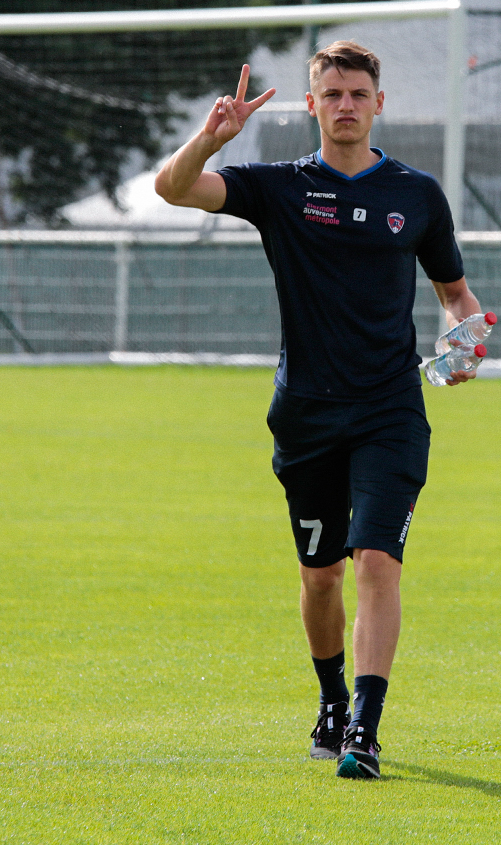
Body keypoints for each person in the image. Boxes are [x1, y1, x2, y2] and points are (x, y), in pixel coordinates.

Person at [154, 40, 483, 780]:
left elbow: (455, 294)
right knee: (321, 576)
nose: (344, 105)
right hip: (304, 413)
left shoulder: (417, 195)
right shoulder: (277, 187)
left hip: (390, 411)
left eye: (356, 94)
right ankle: (332, 699)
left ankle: (363, 730)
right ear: (312, 105)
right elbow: (173, 190)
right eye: (330, 94)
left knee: (377, 560)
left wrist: (464, 338)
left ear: (378, 104)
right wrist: (212, 136)